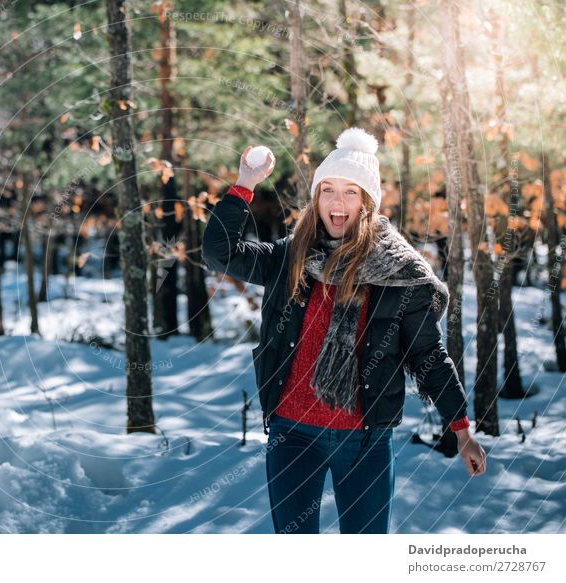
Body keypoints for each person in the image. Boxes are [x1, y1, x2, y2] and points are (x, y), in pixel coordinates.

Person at [201, 128, 487, 534]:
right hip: (292, 432)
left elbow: (428, 356)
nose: (337, 202)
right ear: (316, 198)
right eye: (328, 190)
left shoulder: (401, 275)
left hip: (365, 439)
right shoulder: (291, 256)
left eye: (350, 192)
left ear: (368, 203)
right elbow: (219, 251)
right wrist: (246, 185)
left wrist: (461, 429)